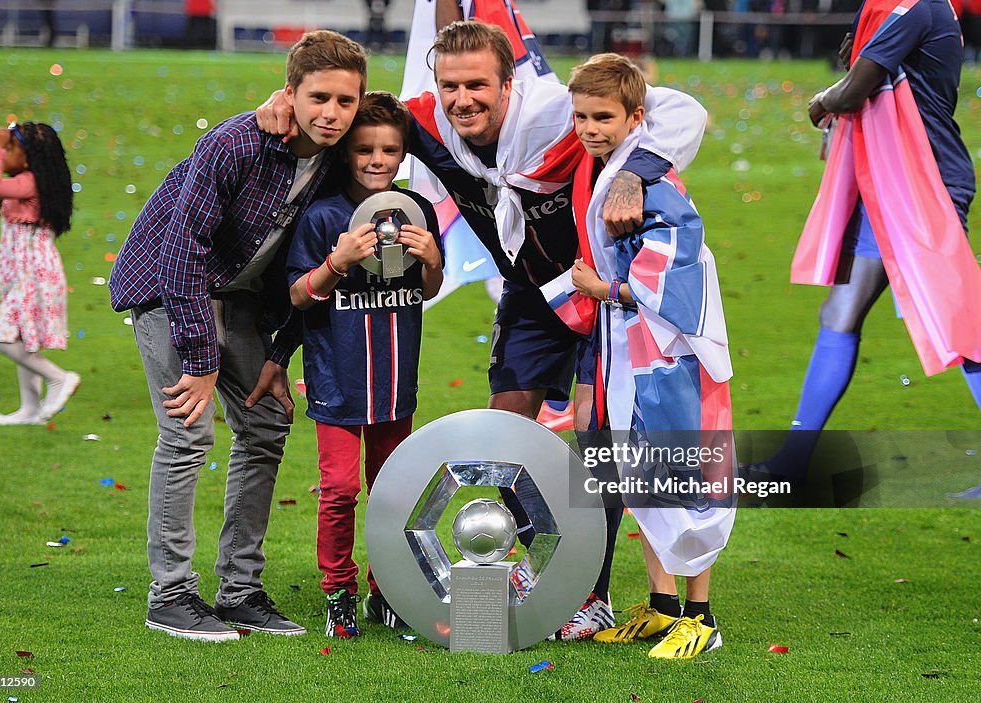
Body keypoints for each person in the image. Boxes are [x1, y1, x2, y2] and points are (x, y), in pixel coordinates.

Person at [255, 13, 706, 641]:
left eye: (478, 86)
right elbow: (356, 118)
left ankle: (591, 594)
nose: (463, 100)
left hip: (594, 288)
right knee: (505, 432)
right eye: (450, 86)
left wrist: (636, 171)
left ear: (509, 83)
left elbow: (681, 110)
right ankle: (532, 568)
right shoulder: (425, 118)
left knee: (597, 437)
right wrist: (281, 101)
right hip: (529, 294)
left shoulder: (553, 109)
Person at [109, 30, 367, 642]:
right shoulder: (235, 143)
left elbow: (304, 265)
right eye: (318, 98)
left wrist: (278, 354)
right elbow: (181, 251)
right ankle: (169, 596)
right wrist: (199, 361)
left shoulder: (335, 154)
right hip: (170, 291)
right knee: (186, 432)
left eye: (345, 101)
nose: (331, 113)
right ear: (290, 94)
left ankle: (239, 590)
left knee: (267, 424)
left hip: (242, 302)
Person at [765, 0, 981, 479]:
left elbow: (851, 93)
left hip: (925, 187)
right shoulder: (902, 9)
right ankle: (794, 461)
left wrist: (820, 101)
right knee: (840, 313)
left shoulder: (913, 7)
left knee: (962, 328)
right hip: (888, 184)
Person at [566, 53, 733, 659]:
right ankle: (663, 609)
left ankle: (702, 617)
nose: (588, 128)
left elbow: (676, 277)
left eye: (602, 116)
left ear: (637, 117)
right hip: (627, 352)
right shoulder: (611, 168)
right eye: (581, 115)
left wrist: (602, 290)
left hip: (669, 355)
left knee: (684, 470)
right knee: (643, 473)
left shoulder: (652, 181)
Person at [287, 92, 443, 637]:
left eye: (390, 150)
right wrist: (339, 261)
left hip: (396, 383)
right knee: (339, 491)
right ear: (345, 152)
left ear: (403, 155)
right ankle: (338, 592)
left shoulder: (414, 212)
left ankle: (388, 588)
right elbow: (300, 296)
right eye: (364, 150)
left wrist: (431, 261)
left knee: (392, 491)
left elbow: (427, 291)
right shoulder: (322, 215)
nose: (377, 160)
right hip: (338, 382)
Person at [0, 121, 79, 426]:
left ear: (29, 156)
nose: (4, 154)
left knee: (3, 339)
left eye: (11, 149)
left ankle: (60, 378)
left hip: (32, 273)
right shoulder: (27, 179)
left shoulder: (31, 182)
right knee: (23, 339)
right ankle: (30, 408)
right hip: (18, 271)